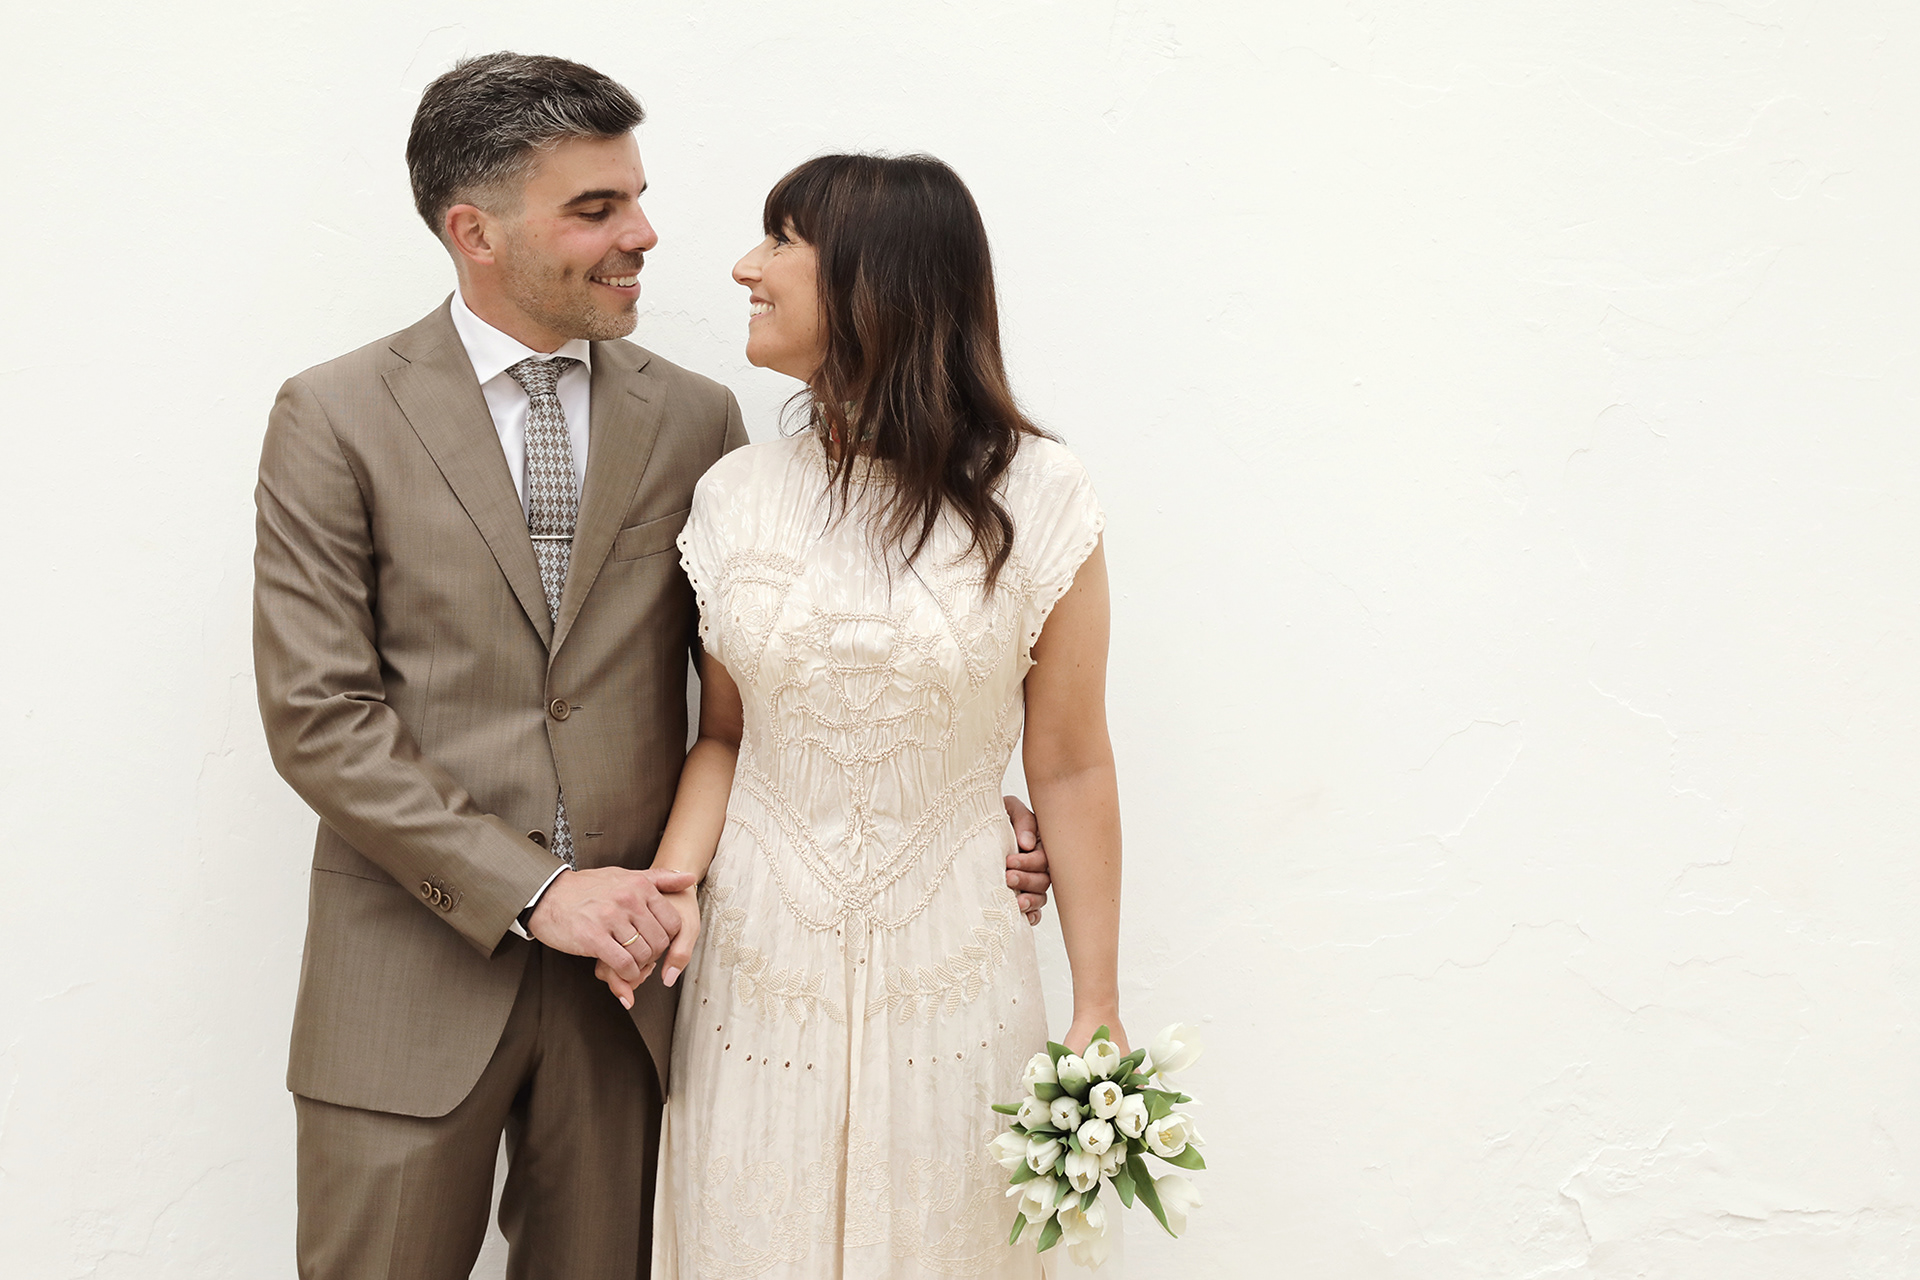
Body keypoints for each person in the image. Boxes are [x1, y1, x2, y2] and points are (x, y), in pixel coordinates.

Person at [252, 55, 1054, 1278]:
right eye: (597, 207)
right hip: (408, 979)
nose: (644, 234)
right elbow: (320, 716)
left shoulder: (696, 421)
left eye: (636, 196)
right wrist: (537, 889)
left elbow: (770, 689)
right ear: (474, 231)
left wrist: (944, 799)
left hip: (635, 994)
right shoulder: (334, 413)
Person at [626, 154, 1126, 1278]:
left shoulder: (1041, 496)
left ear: (876, 281)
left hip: (954, 959)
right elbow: (728, 736)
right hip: (757, 964)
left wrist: (1096, 1000)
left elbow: (1071, 763)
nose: (745, 267)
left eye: (781, 241)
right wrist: (674, 885)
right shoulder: (735, 494)